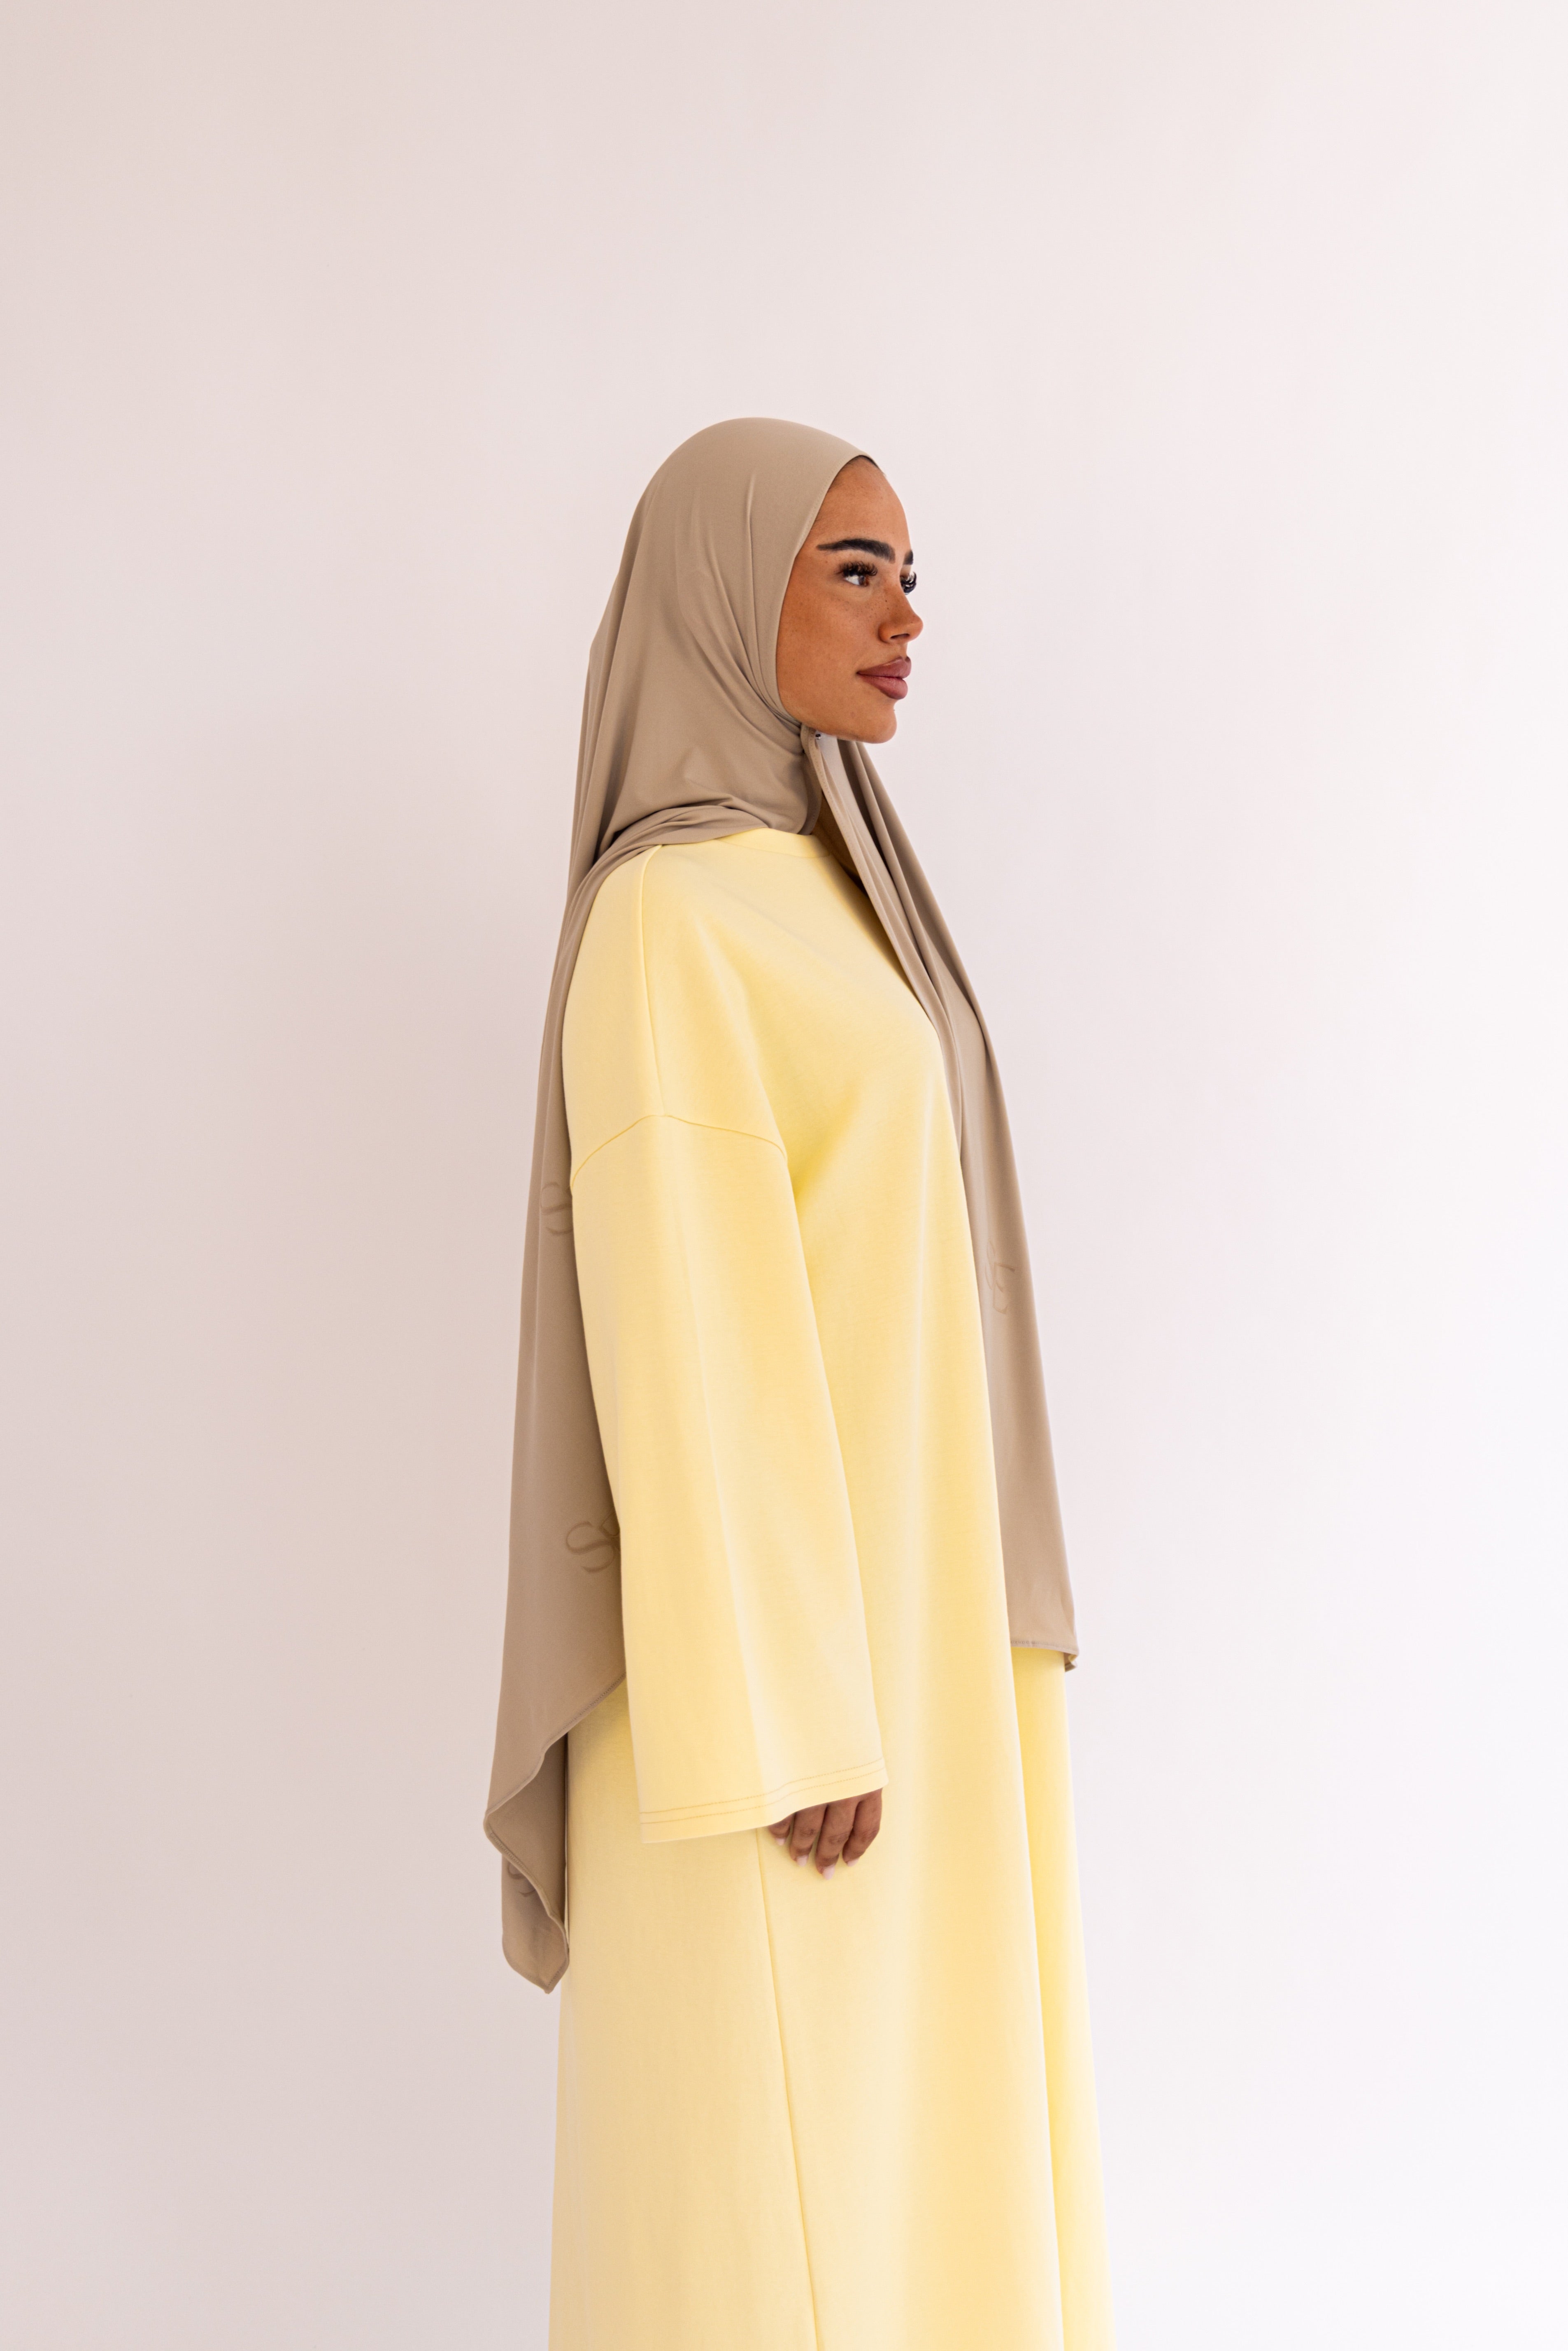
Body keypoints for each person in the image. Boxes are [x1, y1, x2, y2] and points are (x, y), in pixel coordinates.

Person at [486, 417, 1115, 2351]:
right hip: (773, 1720)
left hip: (899, 1652)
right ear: (715, 585)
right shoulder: (668, 918)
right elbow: (687, 1322)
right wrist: (782, 1708)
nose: (904, 616)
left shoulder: (838, 885)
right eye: (855, 571)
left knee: (909, 2169)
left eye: (911, 577)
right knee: (780, 2213)